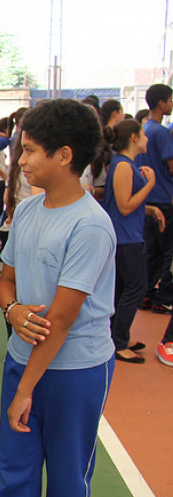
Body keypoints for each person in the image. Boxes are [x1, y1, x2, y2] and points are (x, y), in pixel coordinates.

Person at [0, 98, 116, 497]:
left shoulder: (91, 226)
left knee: (67, 485)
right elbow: (7, 283)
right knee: (15, 477)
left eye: (29, 151)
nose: (19, 160)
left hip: (74, 374)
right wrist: (13, 311)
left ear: (65, 156)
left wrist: (25, 391)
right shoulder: (26, 212)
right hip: (23, 363)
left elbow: (60, 321)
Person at [102, 120, 162, 363]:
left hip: (127, 235)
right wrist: (150, 185)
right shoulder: (124, 166)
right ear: (135, 138)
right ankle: (119, 341)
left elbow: (124, 203)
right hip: (125, 237)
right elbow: (125, 206)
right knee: (136, 287)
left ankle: (117, 336)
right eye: (144, 135)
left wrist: (150, 210)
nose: (148, 139)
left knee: (124, 288)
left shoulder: (126, 165)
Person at [136, 84, 173, 314]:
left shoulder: (145, 129)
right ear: (161, 103)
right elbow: (171, 166)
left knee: (154, 252)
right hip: (163, 200)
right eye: (170, 100)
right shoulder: (161, 132)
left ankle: (147, 294)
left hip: (146, 201)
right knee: (168, 251)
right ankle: (164, 296)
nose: (171, 104)